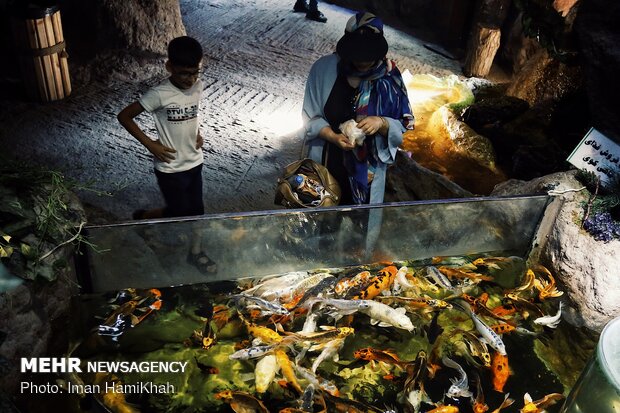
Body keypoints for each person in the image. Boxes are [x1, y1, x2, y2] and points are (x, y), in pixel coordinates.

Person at [117, 36, 216, 274]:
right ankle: (145, 216)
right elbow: (125, 116)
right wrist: (151, 144)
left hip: (195, 160)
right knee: (180, 212)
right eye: (183, 73)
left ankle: (196, 252)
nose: (190, 79)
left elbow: (193, 114)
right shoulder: (159, 94)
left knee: (197, 211)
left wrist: (198, 133)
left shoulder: (198, 86)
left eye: (195, 72)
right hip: (170, 167)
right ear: (169, 67)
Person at [302, 12, 414, 206]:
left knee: (362, 223)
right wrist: (333, 136)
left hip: (368, 171)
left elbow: (404, 123)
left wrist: (381, 122)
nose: (363, 62)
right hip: (328, 161)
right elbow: (309, 118)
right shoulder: (322, 70)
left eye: (369, 56)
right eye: (357, 55)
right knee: (322, 220)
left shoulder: (390, 78)